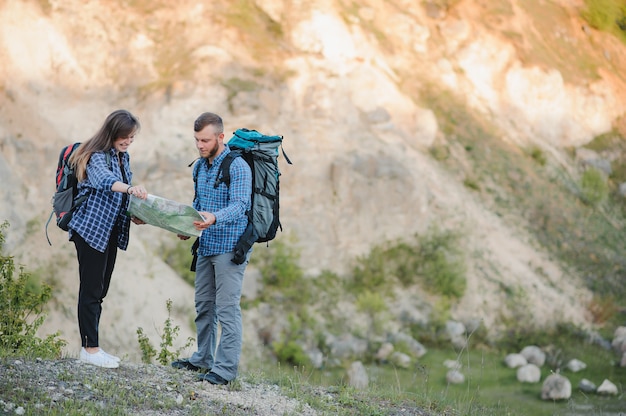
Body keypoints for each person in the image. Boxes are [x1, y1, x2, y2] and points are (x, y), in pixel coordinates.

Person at [171, 112, 252, 385]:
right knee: (204, 306)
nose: (200, 145)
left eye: (205, 140)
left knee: (228, 310)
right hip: (205, 245)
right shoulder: (199, 167)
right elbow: (198, 205)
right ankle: (202, 359)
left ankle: (225, 370)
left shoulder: (238, 166)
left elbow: (241, 205)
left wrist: (214, 217)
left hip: (230, 247)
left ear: (220, 137)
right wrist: (189, 228)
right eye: (196, 140)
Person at [67, 109, 148, 369]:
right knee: (90, 290)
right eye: (125, 136)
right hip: (90, 230)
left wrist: (135, 212)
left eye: (132, 138)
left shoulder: (123, 157)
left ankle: (94, 347)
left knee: (100, 290)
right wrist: (130, 188)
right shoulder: (95, 156)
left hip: (110, 231)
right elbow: (104, 181)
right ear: (112, 132)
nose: (128, 142)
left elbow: (123, 193)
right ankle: (89, 349)